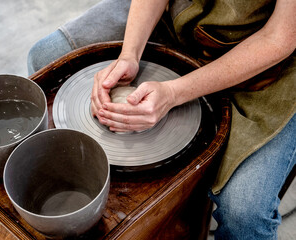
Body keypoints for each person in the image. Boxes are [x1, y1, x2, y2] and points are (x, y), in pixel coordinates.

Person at [28, 0, 295, 239]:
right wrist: (129, 54)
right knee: (46, 54)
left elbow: (279, 37)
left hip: (269, 60)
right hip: (183, 13)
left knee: (245, 214)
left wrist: (174, 93)